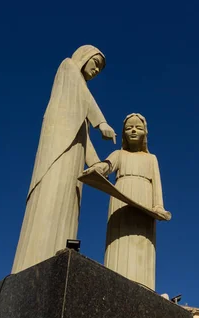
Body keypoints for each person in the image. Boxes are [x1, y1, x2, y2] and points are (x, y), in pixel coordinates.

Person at [12, 45, 116, 274]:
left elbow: (81, 136)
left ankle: (57, 268)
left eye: (100, 67)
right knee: (49, 200)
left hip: (73, 166)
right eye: (95, 63)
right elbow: (82, 92)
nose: (97, 69)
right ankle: (34, 264)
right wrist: (102, 122)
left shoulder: (79, 106)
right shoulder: (68, 67)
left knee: (67, 210)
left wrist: (96, 162)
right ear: (83, 57)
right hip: (56, 157)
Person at [86, 113, 169, 290]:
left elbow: (157, 184)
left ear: (145, 133)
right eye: (129, 127)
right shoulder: (118, 154)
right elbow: (106, 165)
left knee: (141, 240)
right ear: (123, 133)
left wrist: (158, 206)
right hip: (121, 196)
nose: (133, 130)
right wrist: (97, 168)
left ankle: (143, 284)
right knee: (119, 238)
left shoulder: (150, 158)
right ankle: (114, 280)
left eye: (138, 128)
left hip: (144, 198)